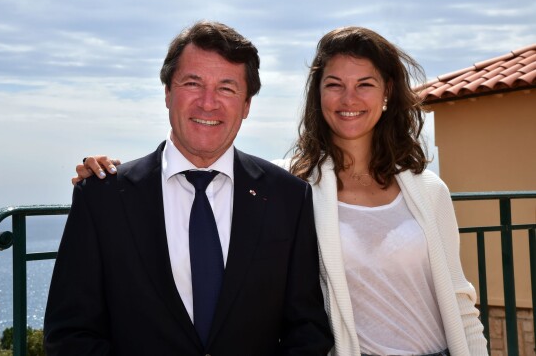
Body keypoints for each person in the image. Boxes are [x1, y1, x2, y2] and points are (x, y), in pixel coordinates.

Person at [76, 26, 489, 356]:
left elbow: (460, 301)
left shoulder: (427, 190)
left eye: (365, 84)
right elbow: (207, 161)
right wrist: (108, 177)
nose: (349, 98)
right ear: (318, 94)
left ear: (387, 95)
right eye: (334, 84)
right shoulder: (295, 187)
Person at [44, 21, 334, 356]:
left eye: (227, 88)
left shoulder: (288, 196)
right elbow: (70, 334)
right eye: (192, 83)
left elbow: (308, 330)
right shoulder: (102, 197)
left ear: (247, 105)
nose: (208, 103)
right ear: (167, 92)